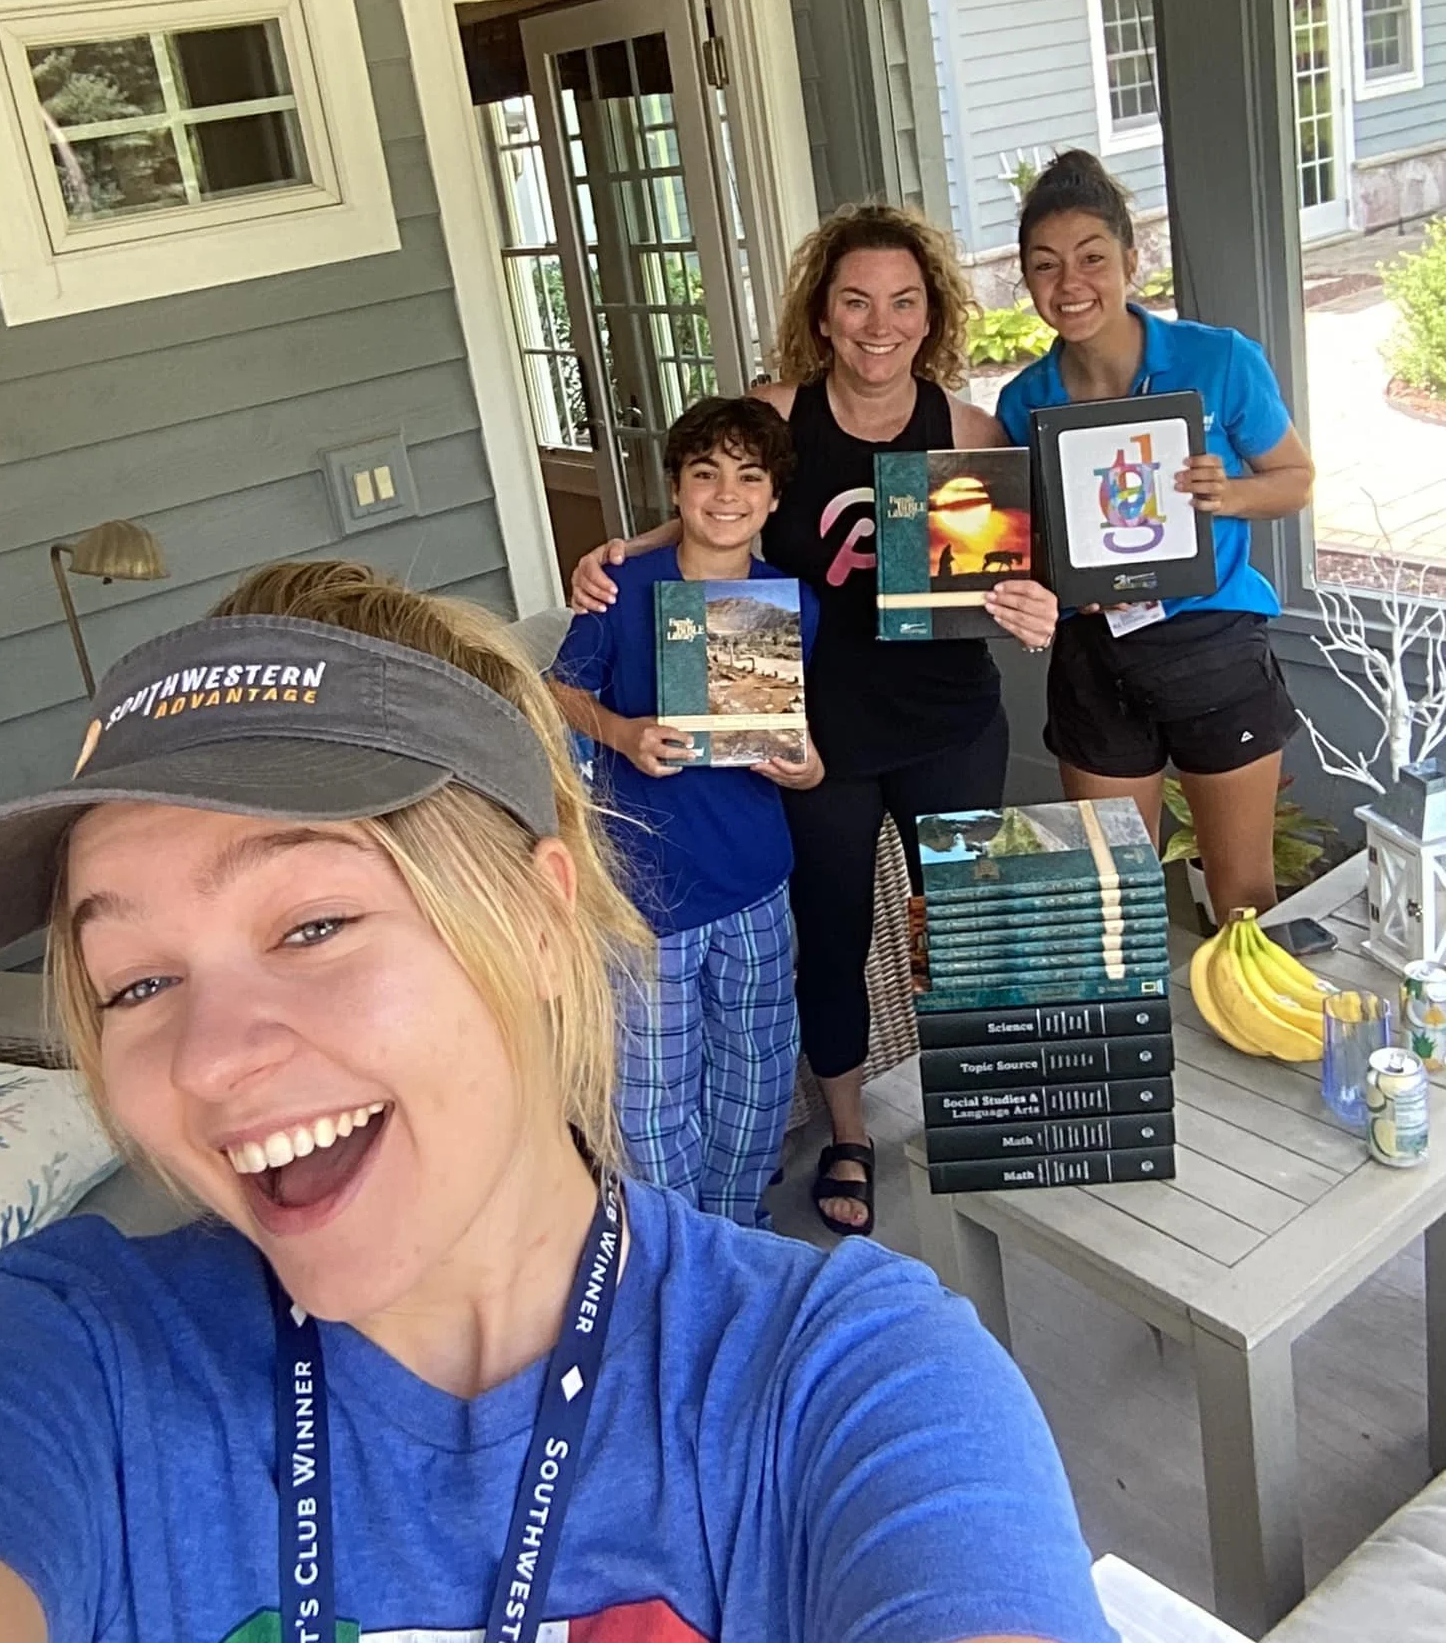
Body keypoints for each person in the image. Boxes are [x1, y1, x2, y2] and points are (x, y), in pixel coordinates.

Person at [0, 560, 1116, 1643]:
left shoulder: (848, 1383)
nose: (207, 1059)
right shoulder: (65, 1361)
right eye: (136, 981)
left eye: (313, 924)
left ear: (541, 919)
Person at [571, 206, 1058, 1238]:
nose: (880, 325)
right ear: (823, 315)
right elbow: (718, 507)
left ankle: (985, 1116)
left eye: (904, 302)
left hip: (948, 720)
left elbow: (1022, 567)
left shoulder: (972, 432)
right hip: (803, 734)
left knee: (969, 933)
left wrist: (1036, 604)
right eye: (856, 301)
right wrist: (618, 553)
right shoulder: (778, 413)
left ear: (932, 315)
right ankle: (849, 1132)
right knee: (829, 943)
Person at [998, 151, 1314, 922]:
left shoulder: (1218, 359)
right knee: (1118, 904)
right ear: (1027, 280)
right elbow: (1027, 544)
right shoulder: (1022, 401)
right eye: (1045, 266)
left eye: (1092, 258)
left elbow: (1295, 479)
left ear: (1131, 261)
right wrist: (1044, 588)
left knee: (1242, 900)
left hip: (1212, 645)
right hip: (1093, 656)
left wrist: (1228, 493)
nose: (1070, 284)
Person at [550, 396, 822, 1227]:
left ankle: (736, 1228)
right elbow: (558, 691)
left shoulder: (789, 604)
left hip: (754, 879)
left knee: (758, 1069)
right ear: (676, 488)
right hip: (646, 889)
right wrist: (622, 733)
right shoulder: (622, 588)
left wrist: (805, 769)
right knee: (651, 1089)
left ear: (774, 497)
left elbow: (801, 747)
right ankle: (679, 1242)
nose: (726, 494)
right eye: (706, 474)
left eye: (749, 477)